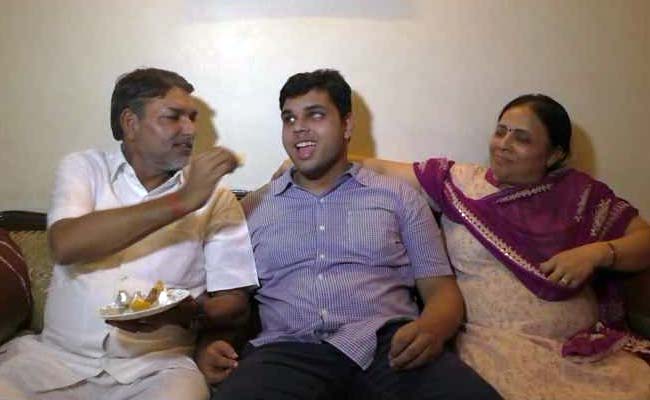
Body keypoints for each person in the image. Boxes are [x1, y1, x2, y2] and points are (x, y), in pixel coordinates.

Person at [196, 69, 501, 400]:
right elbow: (232, 305)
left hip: (390, 349)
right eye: (289, 118)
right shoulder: (251, 209)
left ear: (347, 125)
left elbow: (442, 291)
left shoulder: (399, 197)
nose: (299, 127)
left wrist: (432, 329)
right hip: (286, 354)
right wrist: (209, 346)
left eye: (315, 114)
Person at [352, 94, 650, 399]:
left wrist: (597, 253)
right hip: (495, 347)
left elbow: (644, 240)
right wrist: (325, 153)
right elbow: (381, 171)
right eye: (500, 131)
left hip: (581, 350)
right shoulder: (459, 184)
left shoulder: (580, 196)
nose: (504, 144)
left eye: (522, 138)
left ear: (554, 154)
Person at [0, 68, 258, 400]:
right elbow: (65, 245)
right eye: (173, 117)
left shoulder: (216, 197)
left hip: (156, 369)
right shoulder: (85, 168)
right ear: (130, 123)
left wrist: (191, 314)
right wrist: (182, 201)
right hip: (55, 360)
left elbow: (234, 303)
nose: (190, 129)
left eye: (192, 118)